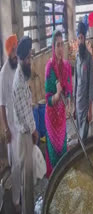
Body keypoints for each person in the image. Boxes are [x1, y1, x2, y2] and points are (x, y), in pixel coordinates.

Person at [12, 36, 38, 214]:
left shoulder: (22, 75)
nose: (30, 60)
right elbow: (26, 116)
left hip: (25, 132)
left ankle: (28, 207)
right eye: (28, 58)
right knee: (26, 180)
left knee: (28, 177)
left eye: (31, 57)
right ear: (20, 59)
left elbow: (27, 108)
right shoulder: (19, 83)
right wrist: (35, 131)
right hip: (24, 135)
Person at [44, 30, 72, 178]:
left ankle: (62, 181)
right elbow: (48, 100)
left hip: (61, 118)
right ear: (53, 48)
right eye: (58, 45)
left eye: (62, 44)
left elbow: (68, 90)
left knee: (63, 151)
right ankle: (54, 183)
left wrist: (68, 103)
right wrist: (56, 95)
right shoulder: (49, 69)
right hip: (52, 118)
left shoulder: (66, 66)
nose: (61, 48)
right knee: (54, 154)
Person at [0, 34, 21, 213]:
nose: (16, 54)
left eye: (17, 50)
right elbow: (2, 104)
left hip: (21, 122)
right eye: (13, 51)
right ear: (9, 53)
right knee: (15, 164)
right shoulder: (4, 73)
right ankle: (15, 201)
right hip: (12, 127)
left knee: (22, 160)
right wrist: (6, 128)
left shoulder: (18, 65)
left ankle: (20, 190)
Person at [74, 22, 93, 140]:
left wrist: (90, 110)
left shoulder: (89, 58)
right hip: (77, 103)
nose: (80, 41)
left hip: (86, 104)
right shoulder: (76, 57)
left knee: (84, 135)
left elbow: (91, 85)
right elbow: (75, 81)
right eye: (78, 38)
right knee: (78, 134)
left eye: (82, 38)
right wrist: (73, 107)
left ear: (85, 39)